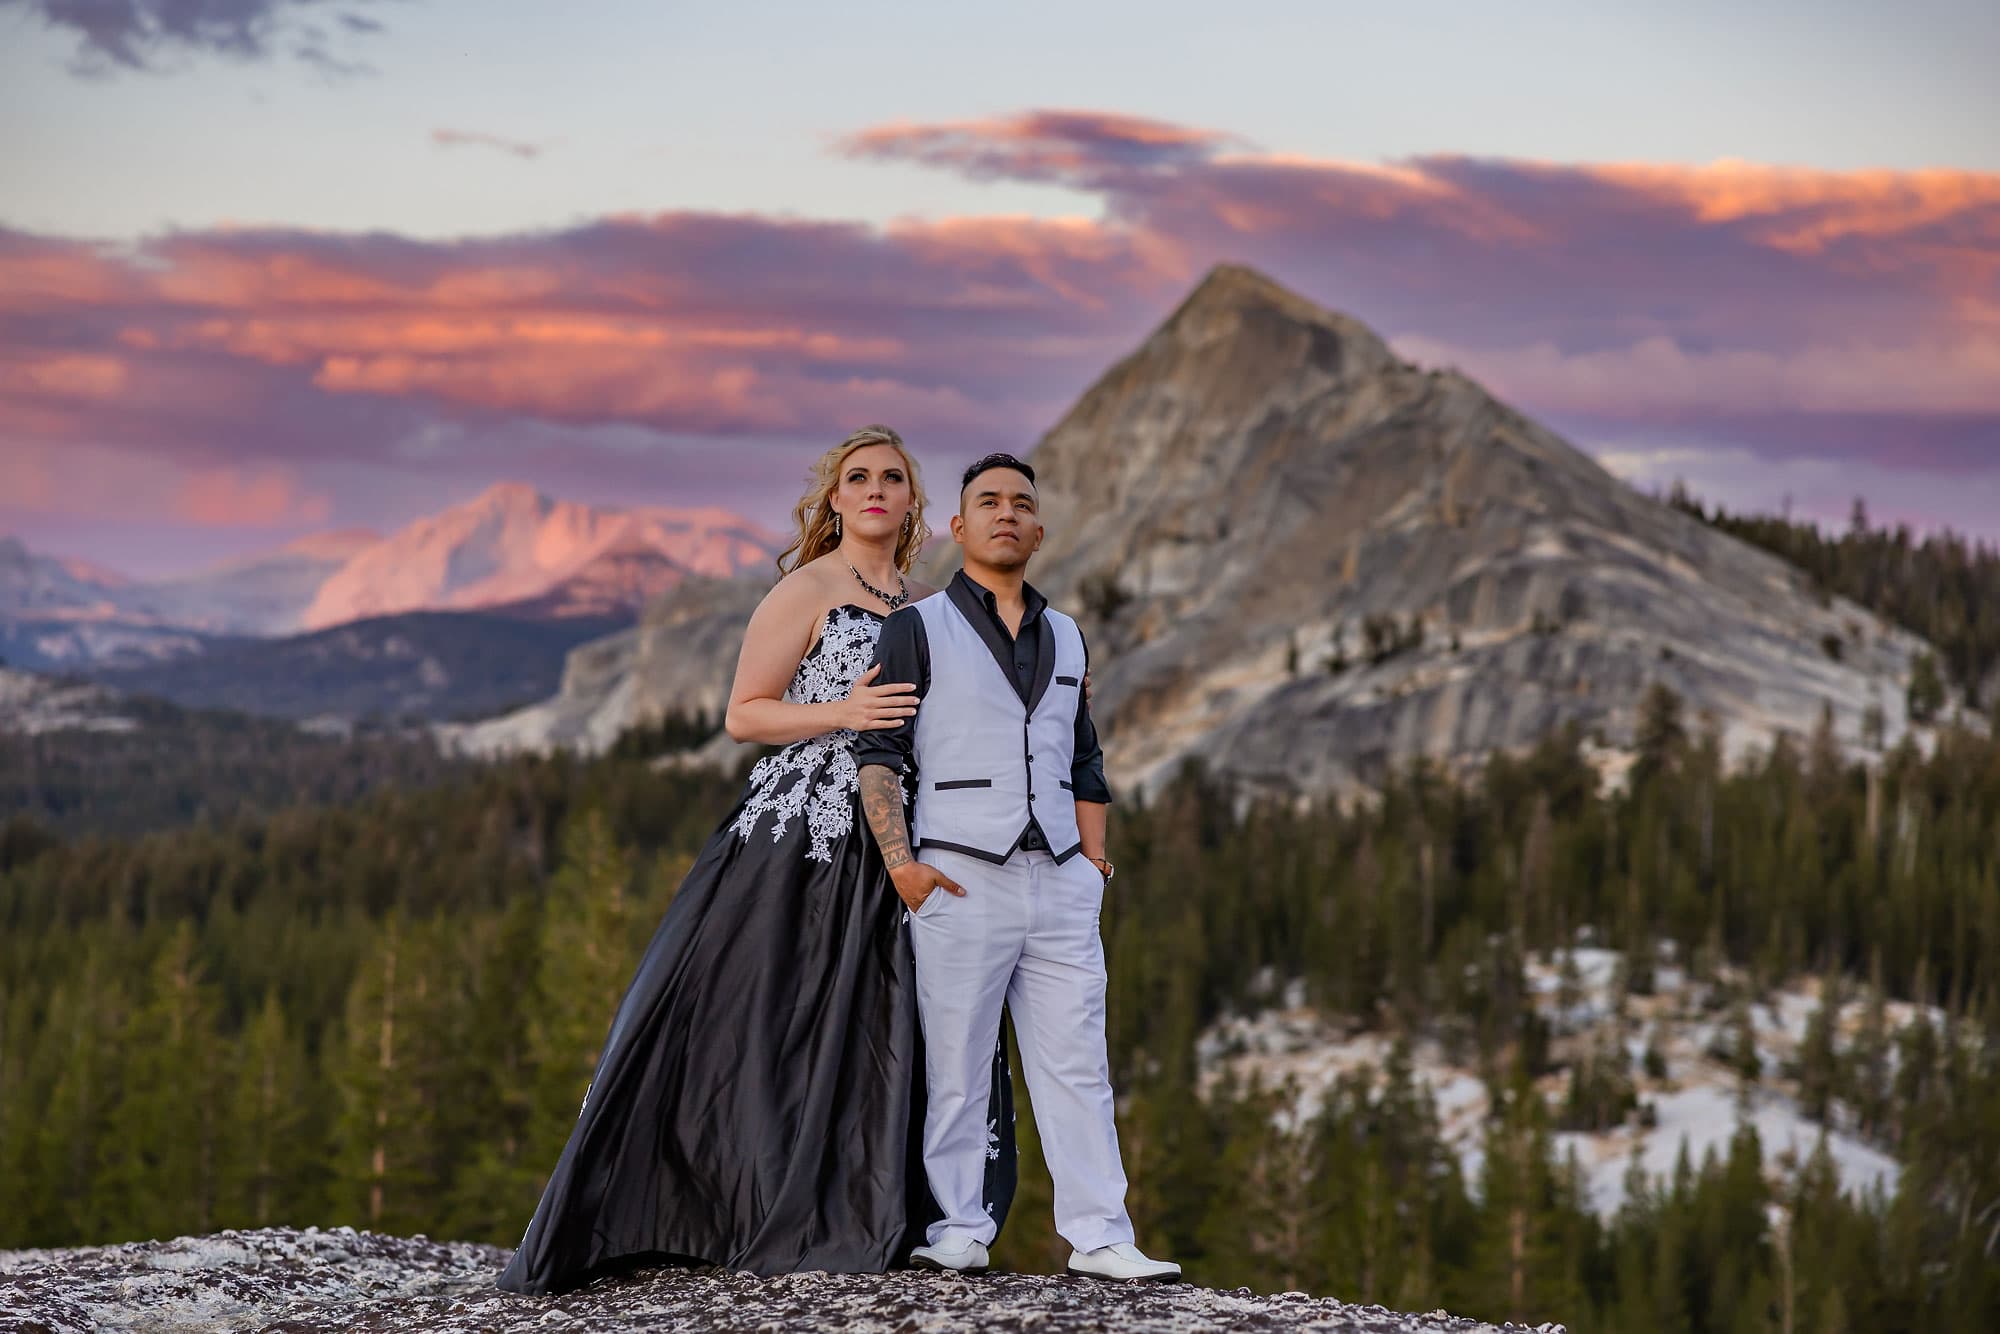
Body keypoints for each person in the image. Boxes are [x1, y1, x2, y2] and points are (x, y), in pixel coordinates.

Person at [496, 425, 1016, 1294]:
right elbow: (746, 714)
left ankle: (874, 1211)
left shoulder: (932, 606)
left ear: (915, 501)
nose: (877, 490)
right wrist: (843, 714)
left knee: (886, 1024)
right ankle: (726, 1206)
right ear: (836, 498)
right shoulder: (807, 588)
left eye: (893, 477)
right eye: (859, 478)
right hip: (802, 833)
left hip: (904, 833)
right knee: (769, 1016)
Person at [855, 452, 1181, 1283]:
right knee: (957, 1063)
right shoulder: (916, 628)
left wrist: (1093, 863)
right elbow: (880, 754)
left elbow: (1086, 756)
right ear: (957, 528)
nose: (1007, 513)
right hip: (960, 875)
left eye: (1022, 504)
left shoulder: (1068, 632)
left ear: (1038, 530)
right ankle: (960, 1227)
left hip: (1061, 879)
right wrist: (904, 868)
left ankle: (1102, 1236)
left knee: (1078, 1063)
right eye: (987, 502)